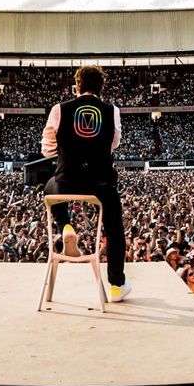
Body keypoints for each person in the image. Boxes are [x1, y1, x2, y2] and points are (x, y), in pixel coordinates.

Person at [42, 65, 129, 302]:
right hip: (101, 184)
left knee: (50, 185)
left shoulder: (59, 109)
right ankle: (116, 286)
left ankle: (66, 226)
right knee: (115, 230)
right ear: (101, 88)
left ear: (77, 86)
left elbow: (48, 149)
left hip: (67, 181)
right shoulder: (112, 111)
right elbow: (114, 144)